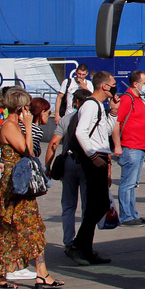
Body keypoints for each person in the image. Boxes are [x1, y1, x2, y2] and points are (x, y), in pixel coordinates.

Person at [0, 87, 63, 289]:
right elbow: (28, 151)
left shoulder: (13, 124)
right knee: (29, 228)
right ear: (20, 107)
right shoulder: (10, 126)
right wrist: (28, 127)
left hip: (17, 184)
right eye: (28, 106)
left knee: (14, 229)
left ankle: (1, 274)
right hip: (15, 186)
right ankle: (40, 274)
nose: (29, 111)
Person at [70, 71, 120, 266]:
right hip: (94, 157)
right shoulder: (90, 105)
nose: (115, 87)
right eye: (113, 83)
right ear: (104, 86)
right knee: (99, 204)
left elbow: (105, 130)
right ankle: (78, 246)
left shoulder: (98, 105)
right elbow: (81, 132)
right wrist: (92, 155)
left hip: (99, 155)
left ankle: (85, 248)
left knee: (96, 204)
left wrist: (114, 111)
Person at [47, 87, 90, 260]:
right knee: (87, 207)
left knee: (68, 205)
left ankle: (68, 242)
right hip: (88, 164)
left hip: (69, 163)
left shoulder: (66, 119)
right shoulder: (91, 118)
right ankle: (85, 243)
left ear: (75, 102)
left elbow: (53, 144)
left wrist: (48, 166)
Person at [115, 70, 145, 226]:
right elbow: (116, 122)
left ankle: (133, 214)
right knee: (128, 183)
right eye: (144, 83)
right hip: (130, 147)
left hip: (139, 147)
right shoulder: (127, 99)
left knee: (132, 184)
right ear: (135, 84)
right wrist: (118, 145)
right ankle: (126, 216)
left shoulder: (137, 99)